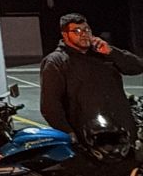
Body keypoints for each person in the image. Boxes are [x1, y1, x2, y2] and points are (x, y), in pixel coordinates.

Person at [40, 13, 143, 149]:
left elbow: (137, 67)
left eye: (87, 30)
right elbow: (50, 105)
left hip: (122, 132)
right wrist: (68, 133)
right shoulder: (56, 62)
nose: (84, 34)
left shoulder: (103, 54)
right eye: (77, 31)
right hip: (89, 138)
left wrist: (112, 52)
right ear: (65, 35)